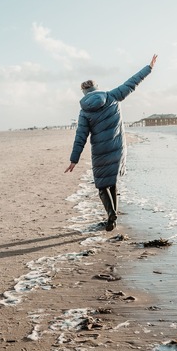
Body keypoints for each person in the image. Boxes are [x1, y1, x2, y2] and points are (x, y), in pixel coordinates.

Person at [65, 54, 157, 231]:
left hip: (99, 151)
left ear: (84, 93)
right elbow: (132, 82)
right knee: (112, 182)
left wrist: (74, 159)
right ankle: (112, 216)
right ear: (96, 88)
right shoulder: (113, 96)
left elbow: (80, 136)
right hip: (117, 148)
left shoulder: (84, 111)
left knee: (101, 185)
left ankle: (111, 214)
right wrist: (149, 68)